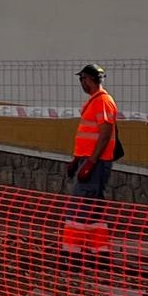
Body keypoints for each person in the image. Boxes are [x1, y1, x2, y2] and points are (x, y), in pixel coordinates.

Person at [62, 63, 118, 257]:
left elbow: (104, 134)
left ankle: (72, 252)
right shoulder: (94, 101)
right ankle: (99, 250)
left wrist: (90, 163)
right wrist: (76, 160)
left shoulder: (102, 101)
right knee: (94, 210)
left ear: (88, 79)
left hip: (95, 163)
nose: (81, 83)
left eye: (82, 79)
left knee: (78, 207)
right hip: (89, 161)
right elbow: (90, 135)